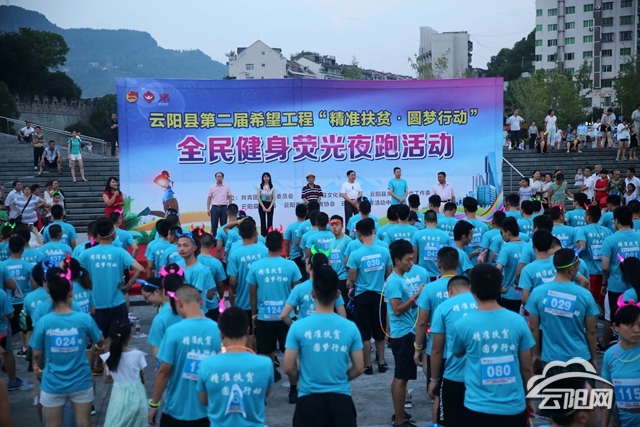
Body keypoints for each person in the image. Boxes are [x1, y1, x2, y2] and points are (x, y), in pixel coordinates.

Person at [451, 263, 536, 427]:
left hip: (476, 407)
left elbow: (457, 352)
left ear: (471, 289)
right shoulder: (518, 322)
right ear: (500, 288)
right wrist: (530, 398)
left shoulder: (462, 325)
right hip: (514, 407)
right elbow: (527, 368)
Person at [283, 264, 364, 427]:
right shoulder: (350, 328)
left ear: (313, 293)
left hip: (308, 401)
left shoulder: (298, 327)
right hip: (341, 401)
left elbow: (287, 367)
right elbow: (359, 367)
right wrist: (340, 379)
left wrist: (305, 379)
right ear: (338, 295)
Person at [29, 268, 105, 427]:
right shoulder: (84, 318)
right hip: (81, 380)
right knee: (84, 423)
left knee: (53, 424)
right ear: (70, 293)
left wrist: (40, 368)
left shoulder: (44, 322)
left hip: (52, 382)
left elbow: (37, 354)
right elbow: (99, 339)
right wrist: (99, 346)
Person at [148, 285, 222, 427]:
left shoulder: (173, 331)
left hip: (176, 409)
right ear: (201, 301)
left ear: (179, 303)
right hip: (210, 410)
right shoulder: (218, 330)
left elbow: (164, 372)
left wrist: (154, 404)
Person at [526, 248, 599, 374]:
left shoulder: (537, 293)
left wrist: (536, 355)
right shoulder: (585, 295)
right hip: (580, 358)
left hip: (550, 359)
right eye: (578, 266)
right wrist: (593, 358)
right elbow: (591, 331)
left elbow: (534, 328)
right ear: (572, 269)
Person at [197, 307, 274, 427]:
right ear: (247, 331)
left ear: (221, 333)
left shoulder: (206, 365)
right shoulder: (265, 364)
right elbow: (264, 393)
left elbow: (204, 400)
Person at [248, 230, 302, 399]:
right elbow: (297, 292)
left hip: (264, 317)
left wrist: (254, 315)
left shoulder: (256, 266)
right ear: (282, 245)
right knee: (290, 354)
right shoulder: (291, 265)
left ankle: (263, 395)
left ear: (266, 245)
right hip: (287, 318)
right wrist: (295, 313)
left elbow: (252, 294)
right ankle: (294, 391)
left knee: (264, 356)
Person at [78, 218, 144, 351]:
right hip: (117, 304)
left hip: (97, 305)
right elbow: (140, 269)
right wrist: (128, 285)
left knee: (98, 342)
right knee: (120, 341)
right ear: (113, 233)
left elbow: (71, 268)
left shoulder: (87, 254)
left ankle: (100, 363)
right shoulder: (120, 252)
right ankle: (117, 362)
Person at [427, 275, 476, 427]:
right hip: (479, 376)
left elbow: (437, 349)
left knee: (448, 420)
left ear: (450, 290)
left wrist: (434, 379)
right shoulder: (483, 304)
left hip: (454, 375)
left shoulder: (444, 307)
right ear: (470, 288)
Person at [385, 239, 425, 427]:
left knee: (403, 376)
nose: (411, 263)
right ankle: (400, 421)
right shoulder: (394, 281)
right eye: (408, 260)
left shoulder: (403, 279)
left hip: (407, 332)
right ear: (397, 260)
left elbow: (406, 306)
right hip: (403, 335)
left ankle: (400, 413)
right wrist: (416, 297)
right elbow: (397, 310)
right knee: (401, 378)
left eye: (412, 259)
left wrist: (418, 300)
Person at [346, 219, 392, 375]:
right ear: (373, 231)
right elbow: (389, 275)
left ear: (358, 234)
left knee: (365, 333)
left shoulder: (355, 254)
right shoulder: (384, 251)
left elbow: (352, 278)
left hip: (362, 297)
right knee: (379, 331)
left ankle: (367, 365)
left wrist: (351, 289)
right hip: (380, 296)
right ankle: (382, 362)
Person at [226, 219, 268, 349]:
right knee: (264, 335)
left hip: (243, 300)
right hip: (263, 301)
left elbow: (232, 281)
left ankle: (251, 356)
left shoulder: (235, 253)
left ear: (239, 233)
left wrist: (234, 294)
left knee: (248, 333)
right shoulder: (264, 250)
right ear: (255, 232)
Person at [601, 206, 639, 350]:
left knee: (616, 317)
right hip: (636, 287)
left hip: (616, 286)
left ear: (616, 221)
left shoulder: (610, 240)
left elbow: (605, 267)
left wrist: (604, 283)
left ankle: (618, 346)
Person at [100, 320, 147, 427]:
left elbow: (106, 379)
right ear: (129, 335)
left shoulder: (108, 357)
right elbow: (142, 379)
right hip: (137, 396)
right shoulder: (138, 355)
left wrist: (119, 379)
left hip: (118, 397)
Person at [600, 304, 640, 427]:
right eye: (630, 325)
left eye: (639, 325)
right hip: (621, 421)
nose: (637, 330)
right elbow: (607, 393)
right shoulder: (610, 355)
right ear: (616, 327)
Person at [575, 206, 612, 312]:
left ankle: (589, 320)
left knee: (588, 300)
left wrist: (574, 249)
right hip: (604, 271)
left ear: (588, 216)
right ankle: (607, 319)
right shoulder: (607, 231)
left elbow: (582, 247)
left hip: (589, 271)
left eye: (585, 215)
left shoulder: (583, 230)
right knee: (603, 299)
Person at [411, 210, 450, 281]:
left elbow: (414, 258)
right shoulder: (445, 235)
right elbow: (448, 256)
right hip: (440, 275)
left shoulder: (417, 234)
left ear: (424, 221)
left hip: (423, 275)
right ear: (437, 221)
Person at [206, 172, 233, 241]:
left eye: (220, 176)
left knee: (224, 225)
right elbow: (209, 198)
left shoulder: (227, 187)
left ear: (223, 177)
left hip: (224, 207)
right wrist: (208, 209)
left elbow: (230, 197)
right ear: (215, 178)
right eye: (217, 177)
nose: (219, 178)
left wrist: (230, 208)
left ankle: (224, 240)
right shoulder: (212, 187)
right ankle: (213, 241)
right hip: (214, 207)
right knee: (214, 225)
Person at [462, 197, 489, 265]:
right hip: (481, 265)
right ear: (477, 208)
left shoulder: (461, 226)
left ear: (465, 209)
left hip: (465, 264)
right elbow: (486, 248)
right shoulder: (484, 226)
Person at [284, 204, 307, 277]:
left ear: (296, 213)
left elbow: (287, 243)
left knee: (296, 279)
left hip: (294, 256)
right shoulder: (309, 226)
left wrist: (287, 256)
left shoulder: (291, 227)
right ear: (307, 213)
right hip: (307, 256)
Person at [257, 172, 276, 237]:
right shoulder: (260, 186)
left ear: (269, 178)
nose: (266, 178)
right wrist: (263, 207)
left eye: (267, 177)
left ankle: (270, 235)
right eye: (265, 177)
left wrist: (270, 207)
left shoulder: (272, 186)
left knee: (270, 220)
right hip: (262, 204)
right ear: (263, 178)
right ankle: (263, 235)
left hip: (270, 204)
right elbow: (258, 197)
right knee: (263, 220)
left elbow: (274, 198)